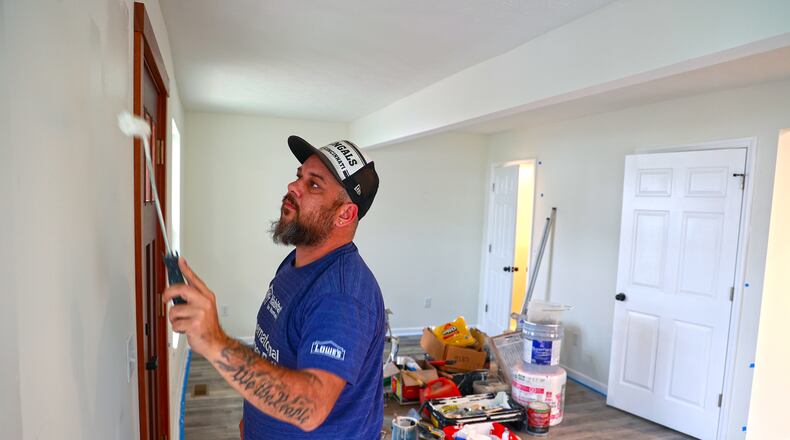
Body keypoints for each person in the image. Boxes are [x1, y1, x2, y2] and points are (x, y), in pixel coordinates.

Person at [164, 136, 385, 439]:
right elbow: (275, 354)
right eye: (299, 177)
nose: (293, 187)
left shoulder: (342, 296)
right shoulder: (297, 261)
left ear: (345, 214)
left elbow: (311, 406)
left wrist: (215, 342)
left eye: (314, 184)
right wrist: (253, 420)